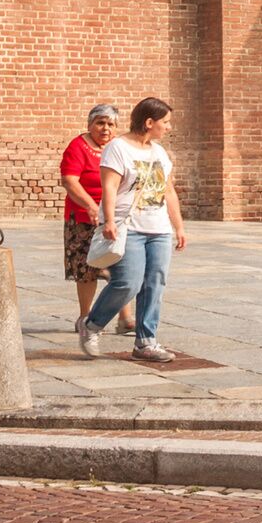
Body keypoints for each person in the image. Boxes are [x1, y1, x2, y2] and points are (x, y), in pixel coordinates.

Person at [81, 96, 184, 362]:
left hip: (159, 229)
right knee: (128, 283)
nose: (169, 127)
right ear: (149, 122)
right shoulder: (118, 148)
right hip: (128, 228)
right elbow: (110, 187)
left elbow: (168, 190)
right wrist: (109, 221)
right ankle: (92, 324)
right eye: (165, 122)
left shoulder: (159, 152)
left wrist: (178, 226)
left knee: (155, 283)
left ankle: (146, 342)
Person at [60, 103, 123, 334]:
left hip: (114, 215)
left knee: (122, 266)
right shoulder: (78, 147)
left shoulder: (117, 147)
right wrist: (90, 206)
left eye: (110, 124)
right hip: (83, 217)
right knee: (86, 268)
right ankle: (85, 316)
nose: (105, 129)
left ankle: (125, 318)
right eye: (100, 123)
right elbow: (69, 180)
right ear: (90, 125)